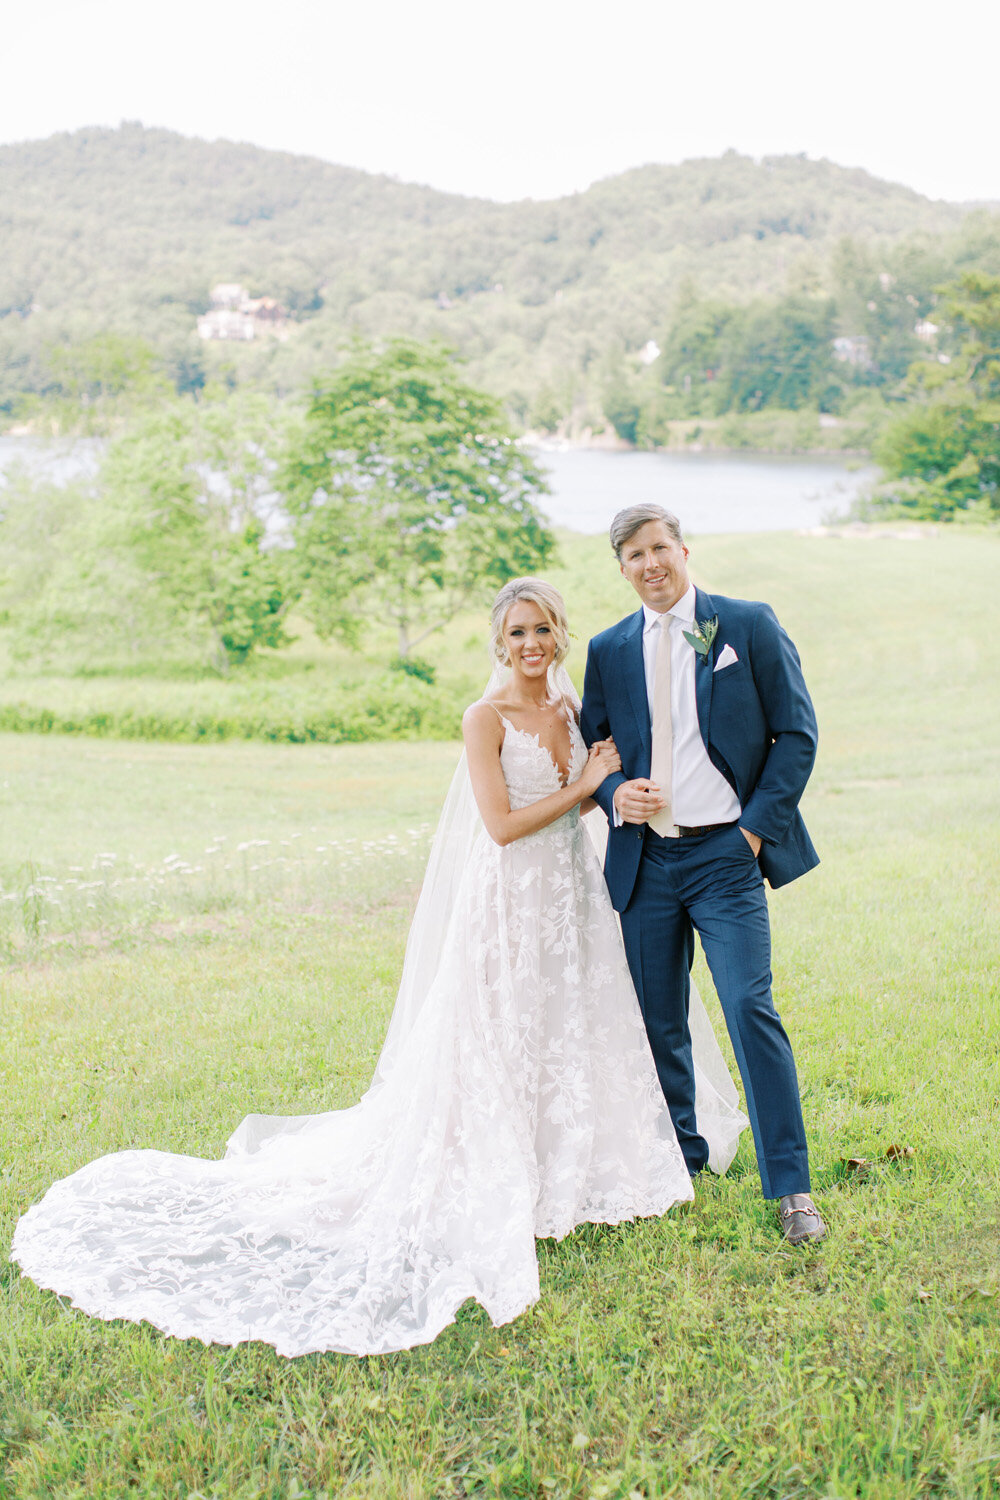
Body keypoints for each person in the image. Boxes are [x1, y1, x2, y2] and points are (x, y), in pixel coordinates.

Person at [11, 579, 745, 1358]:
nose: (531, 644)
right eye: (517, 632)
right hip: (507, 905)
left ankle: (573, 1164)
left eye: (542, 631)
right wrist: (584, 785)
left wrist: (615, 792)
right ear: (500, 642)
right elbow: (499, 827)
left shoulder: (570, 712)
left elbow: (590, 803)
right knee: (498, 1038)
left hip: (571, 897)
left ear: (560, 637)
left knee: (572, 1030)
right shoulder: (484, 719)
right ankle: (494, 1173)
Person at [580, 506, 827, 1245]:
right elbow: (594, 746)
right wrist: (612, 795)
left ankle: (792, 1189)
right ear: (621, 568)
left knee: (751, 1007)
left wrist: (753, 830)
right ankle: (679, 1160)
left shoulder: (744, 624)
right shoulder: (609, 647)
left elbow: (797, 735)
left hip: (727, 856)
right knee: (659, 1021)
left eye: (660, 548)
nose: (650, 563)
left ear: (683, 551)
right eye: (633, 554)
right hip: (646, 861)